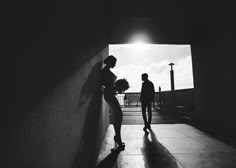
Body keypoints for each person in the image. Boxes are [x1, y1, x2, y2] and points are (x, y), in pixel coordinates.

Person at [101, 55, 125, 150]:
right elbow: (104, 84)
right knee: (118, 114)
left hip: (110, 94)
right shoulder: (104, 72)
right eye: (114, 62)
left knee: (117, 115)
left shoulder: (106, 71)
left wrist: (116, 88)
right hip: (109, 94)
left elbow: (108, 85)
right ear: (110, 62)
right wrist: (115, 88)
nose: (115, 64)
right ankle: (117, 137)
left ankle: (117, 137)